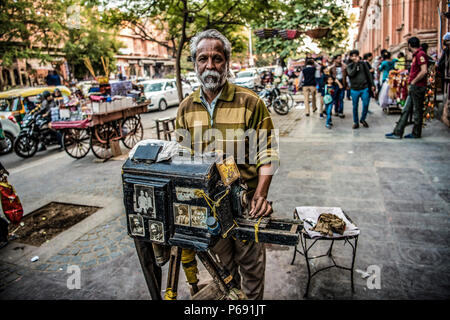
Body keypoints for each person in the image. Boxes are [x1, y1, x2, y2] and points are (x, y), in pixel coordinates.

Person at [175, 29, 279, 300]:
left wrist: (260, 194)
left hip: (246, 208)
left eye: (217, 58)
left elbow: (267, 153)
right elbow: (182, 160)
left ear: (227, 62)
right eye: (203, 59)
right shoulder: (186, 109)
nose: (210, 65)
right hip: (209, 210)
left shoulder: (250, 102)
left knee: (252, 271)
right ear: (195, 63)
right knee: (223, 272)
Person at [386, 37, 428, 139]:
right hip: (414, 87)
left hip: (417, 87)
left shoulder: (420, 54)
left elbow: (424, 71)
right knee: (406, 109)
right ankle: (398, 132)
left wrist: (413, 82)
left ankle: (416, 133)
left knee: (417, 111)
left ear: (410, 45)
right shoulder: (416, 55)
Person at [347, 49, 375, 129]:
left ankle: (363, 119)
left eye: (356, 56)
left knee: (366, 104)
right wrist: (356, 64)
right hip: (354, 89)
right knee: (355, 106)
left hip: (364, 88)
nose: (355, 57)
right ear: (350, 57)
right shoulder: (349, 65)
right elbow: (351, 74)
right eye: (353, 56)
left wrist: (372, 84)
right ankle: (355, 122)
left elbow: (369, 74)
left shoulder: (363, 64)